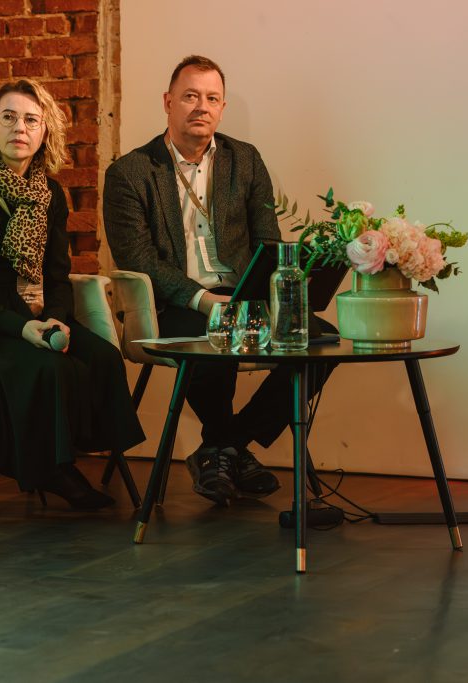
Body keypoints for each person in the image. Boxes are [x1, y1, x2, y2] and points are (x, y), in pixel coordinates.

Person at [104, 55, 326, 507]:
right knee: (214, 343)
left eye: (211, 98)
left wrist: (263, 298)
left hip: (243, 299)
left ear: (222, 108)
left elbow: (267, 242)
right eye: (190, 96)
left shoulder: (245, 160)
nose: (201, 106)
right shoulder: (130, 172)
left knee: (321, 341)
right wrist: (204, 300)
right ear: (168, 102)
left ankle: (225, 446)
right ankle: (230, 451)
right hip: (175, 305)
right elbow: (138, 258)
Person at [0, 79, 145, 510]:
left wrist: (56, 318)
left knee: (104, 357)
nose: (20, 128)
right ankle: (53, 470)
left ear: (44, 131)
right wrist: (22, 328)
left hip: (40, 314)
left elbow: (57, 274)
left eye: (31, 120)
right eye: (9, 117)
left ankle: (82, 454)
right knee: (46, 366)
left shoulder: (51, 194)